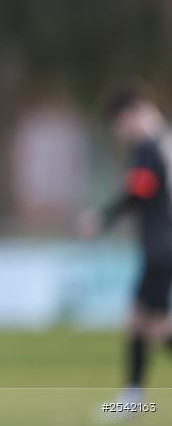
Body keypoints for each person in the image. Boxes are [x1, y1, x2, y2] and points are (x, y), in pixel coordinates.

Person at [79, 88, 172, 407]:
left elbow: (140, 189)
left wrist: (103, 218)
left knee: (156, 326)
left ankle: (133, 397)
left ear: (130, 115)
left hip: (162, 246)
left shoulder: (149, 146)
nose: (120, 132)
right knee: (140, 321)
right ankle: (133, 395)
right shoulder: (163, 141)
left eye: (119, 124)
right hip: (162, 246)